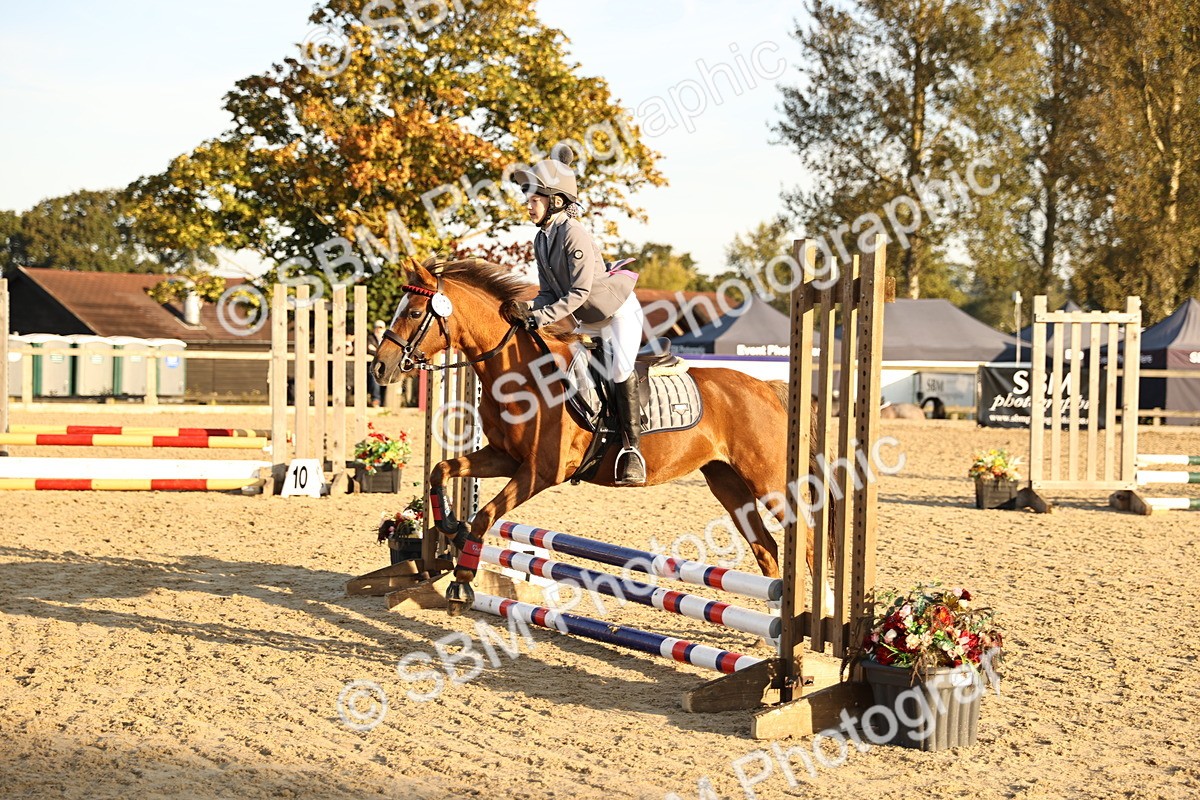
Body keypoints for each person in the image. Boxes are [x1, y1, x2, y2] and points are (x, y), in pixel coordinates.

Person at [505, 145, 647, 485]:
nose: (528, 205)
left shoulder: (574, 233)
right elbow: (548, 294)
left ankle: (633, 450)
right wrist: (522, 310)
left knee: (619, 369)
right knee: (575, 370)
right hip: (588, 318)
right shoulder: (541, 240)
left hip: (617, 313)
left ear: (555, 200)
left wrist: (538, 318)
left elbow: (579, 293)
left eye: (534, 199)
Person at [366, 320, 385, 407]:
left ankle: (383, 402)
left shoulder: (387, 340)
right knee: (374, 377)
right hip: (372, 366)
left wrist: (376, 351)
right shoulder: (370, 338)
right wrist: (381, 353)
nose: (378, 329)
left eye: (380, 327)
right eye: (376, 327)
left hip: (385, 367)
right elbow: (368, 349)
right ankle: (376, 400)